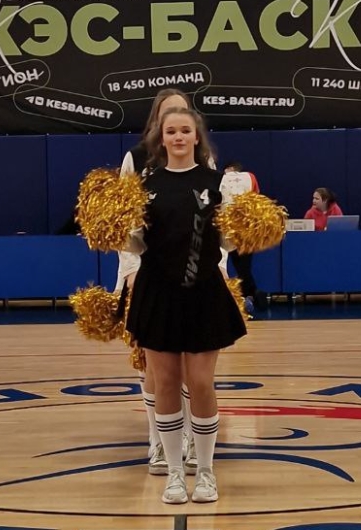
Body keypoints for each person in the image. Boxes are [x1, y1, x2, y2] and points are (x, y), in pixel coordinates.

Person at [122, 107, 247, 504]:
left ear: (197, 137)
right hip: (157, 292)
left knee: (201, 382)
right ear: (162, 139)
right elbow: (135, 242)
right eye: (171, 131)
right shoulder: (145, 185)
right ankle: (175, 473)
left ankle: (205, 472)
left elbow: (229, 240)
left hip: (203, 291)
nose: (178, 137)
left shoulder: (217, 183)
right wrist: (114, 230)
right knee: (165, 383)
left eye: (185, 131)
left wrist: (247, 227)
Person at [117, 89, 220, 477]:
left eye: (183, 118)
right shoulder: (136, 161)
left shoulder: (208, 169)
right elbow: (126, 225)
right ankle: (157, 442)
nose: (177, 129)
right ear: (158, 125)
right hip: (150, 276)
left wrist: (220, 267)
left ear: (194, 129)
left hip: (198, 279)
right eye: (169, 119)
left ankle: (193, 441)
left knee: (197, 375)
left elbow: (215, 227)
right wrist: (129, 270)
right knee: (154, 370)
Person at [220, 162, 268, 312]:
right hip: (242, 230)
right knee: (242, 268)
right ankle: (252, 295)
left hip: (236, 231)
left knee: (239, 268)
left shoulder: (230, 180)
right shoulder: (250, 178)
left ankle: (251, 296)